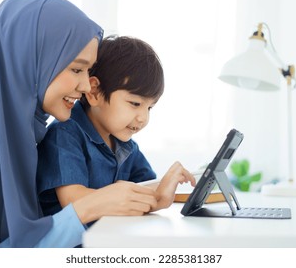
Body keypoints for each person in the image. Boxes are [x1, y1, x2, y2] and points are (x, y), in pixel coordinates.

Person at [0, 0, 158, 248]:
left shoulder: (22, 130)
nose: (84, 86)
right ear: (34, 60)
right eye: (76, 69)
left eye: (88, 71)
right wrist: (87, 207)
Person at [37, 36, 196, 219]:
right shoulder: (65, 134)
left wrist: (166, 185)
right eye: (135, 104)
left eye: (150, 107)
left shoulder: (125, 144)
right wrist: (155, 197)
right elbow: (74, 200)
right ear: (94, 92)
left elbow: (144, 187)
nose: (143, 118)